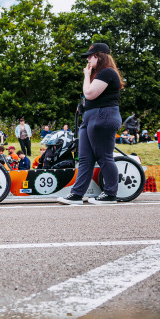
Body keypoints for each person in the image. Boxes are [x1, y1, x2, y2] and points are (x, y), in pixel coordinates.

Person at [58, 42, 123, 205]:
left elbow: (89, 93)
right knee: (85, 158)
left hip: (103, 116)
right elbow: (90, 97)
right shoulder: (101, 74)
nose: (87, 60)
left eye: (90, 56)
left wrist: (86, 76)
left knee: (104, 156)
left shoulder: (108, 72)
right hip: (92, 116)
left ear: (99, 57)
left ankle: (110, 194)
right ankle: (77, 194)